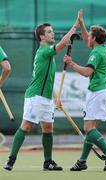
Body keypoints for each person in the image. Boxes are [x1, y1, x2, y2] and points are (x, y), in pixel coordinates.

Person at [3, 16, 79, 171]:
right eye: (49, 32)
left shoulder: (49, 55)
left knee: (48, 128)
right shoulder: (44, 51)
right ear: (42, 36)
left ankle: (48, 162)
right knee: (26, 126)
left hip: (46, 97)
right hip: (35, 96)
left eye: (52, 31)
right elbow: (63, 43)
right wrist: (76, 26)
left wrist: (56, 96)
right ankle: (10, 160)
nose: (53, 34)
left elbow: (48, 79)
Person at [63, 10, 106, 171]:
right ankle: (82, 161)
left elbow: (87, 72)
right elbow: (88, 39)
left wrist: (71, 63)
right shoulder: (104, 48)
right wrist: (81, 22)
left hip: (97, 92)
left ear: (94, 38)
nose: (88, 37)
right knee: (90, 128)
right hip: (105, 91)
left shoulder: (96, 53)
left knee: (88, 129)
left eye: (90, 35)